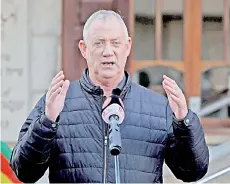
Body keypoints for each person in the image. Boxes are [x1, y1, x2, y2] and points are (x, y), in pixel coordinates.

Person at [10, 10, 209, 183]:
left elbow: (193, 172)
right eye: (99, 43)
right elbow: (24, 172)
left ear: (127, 46)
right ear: (84, 49)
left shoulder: (158, 107)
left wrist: (184, 121)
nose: (108, 52)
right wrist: (47, 122)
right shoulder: (57, 103)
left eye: (115, 43)